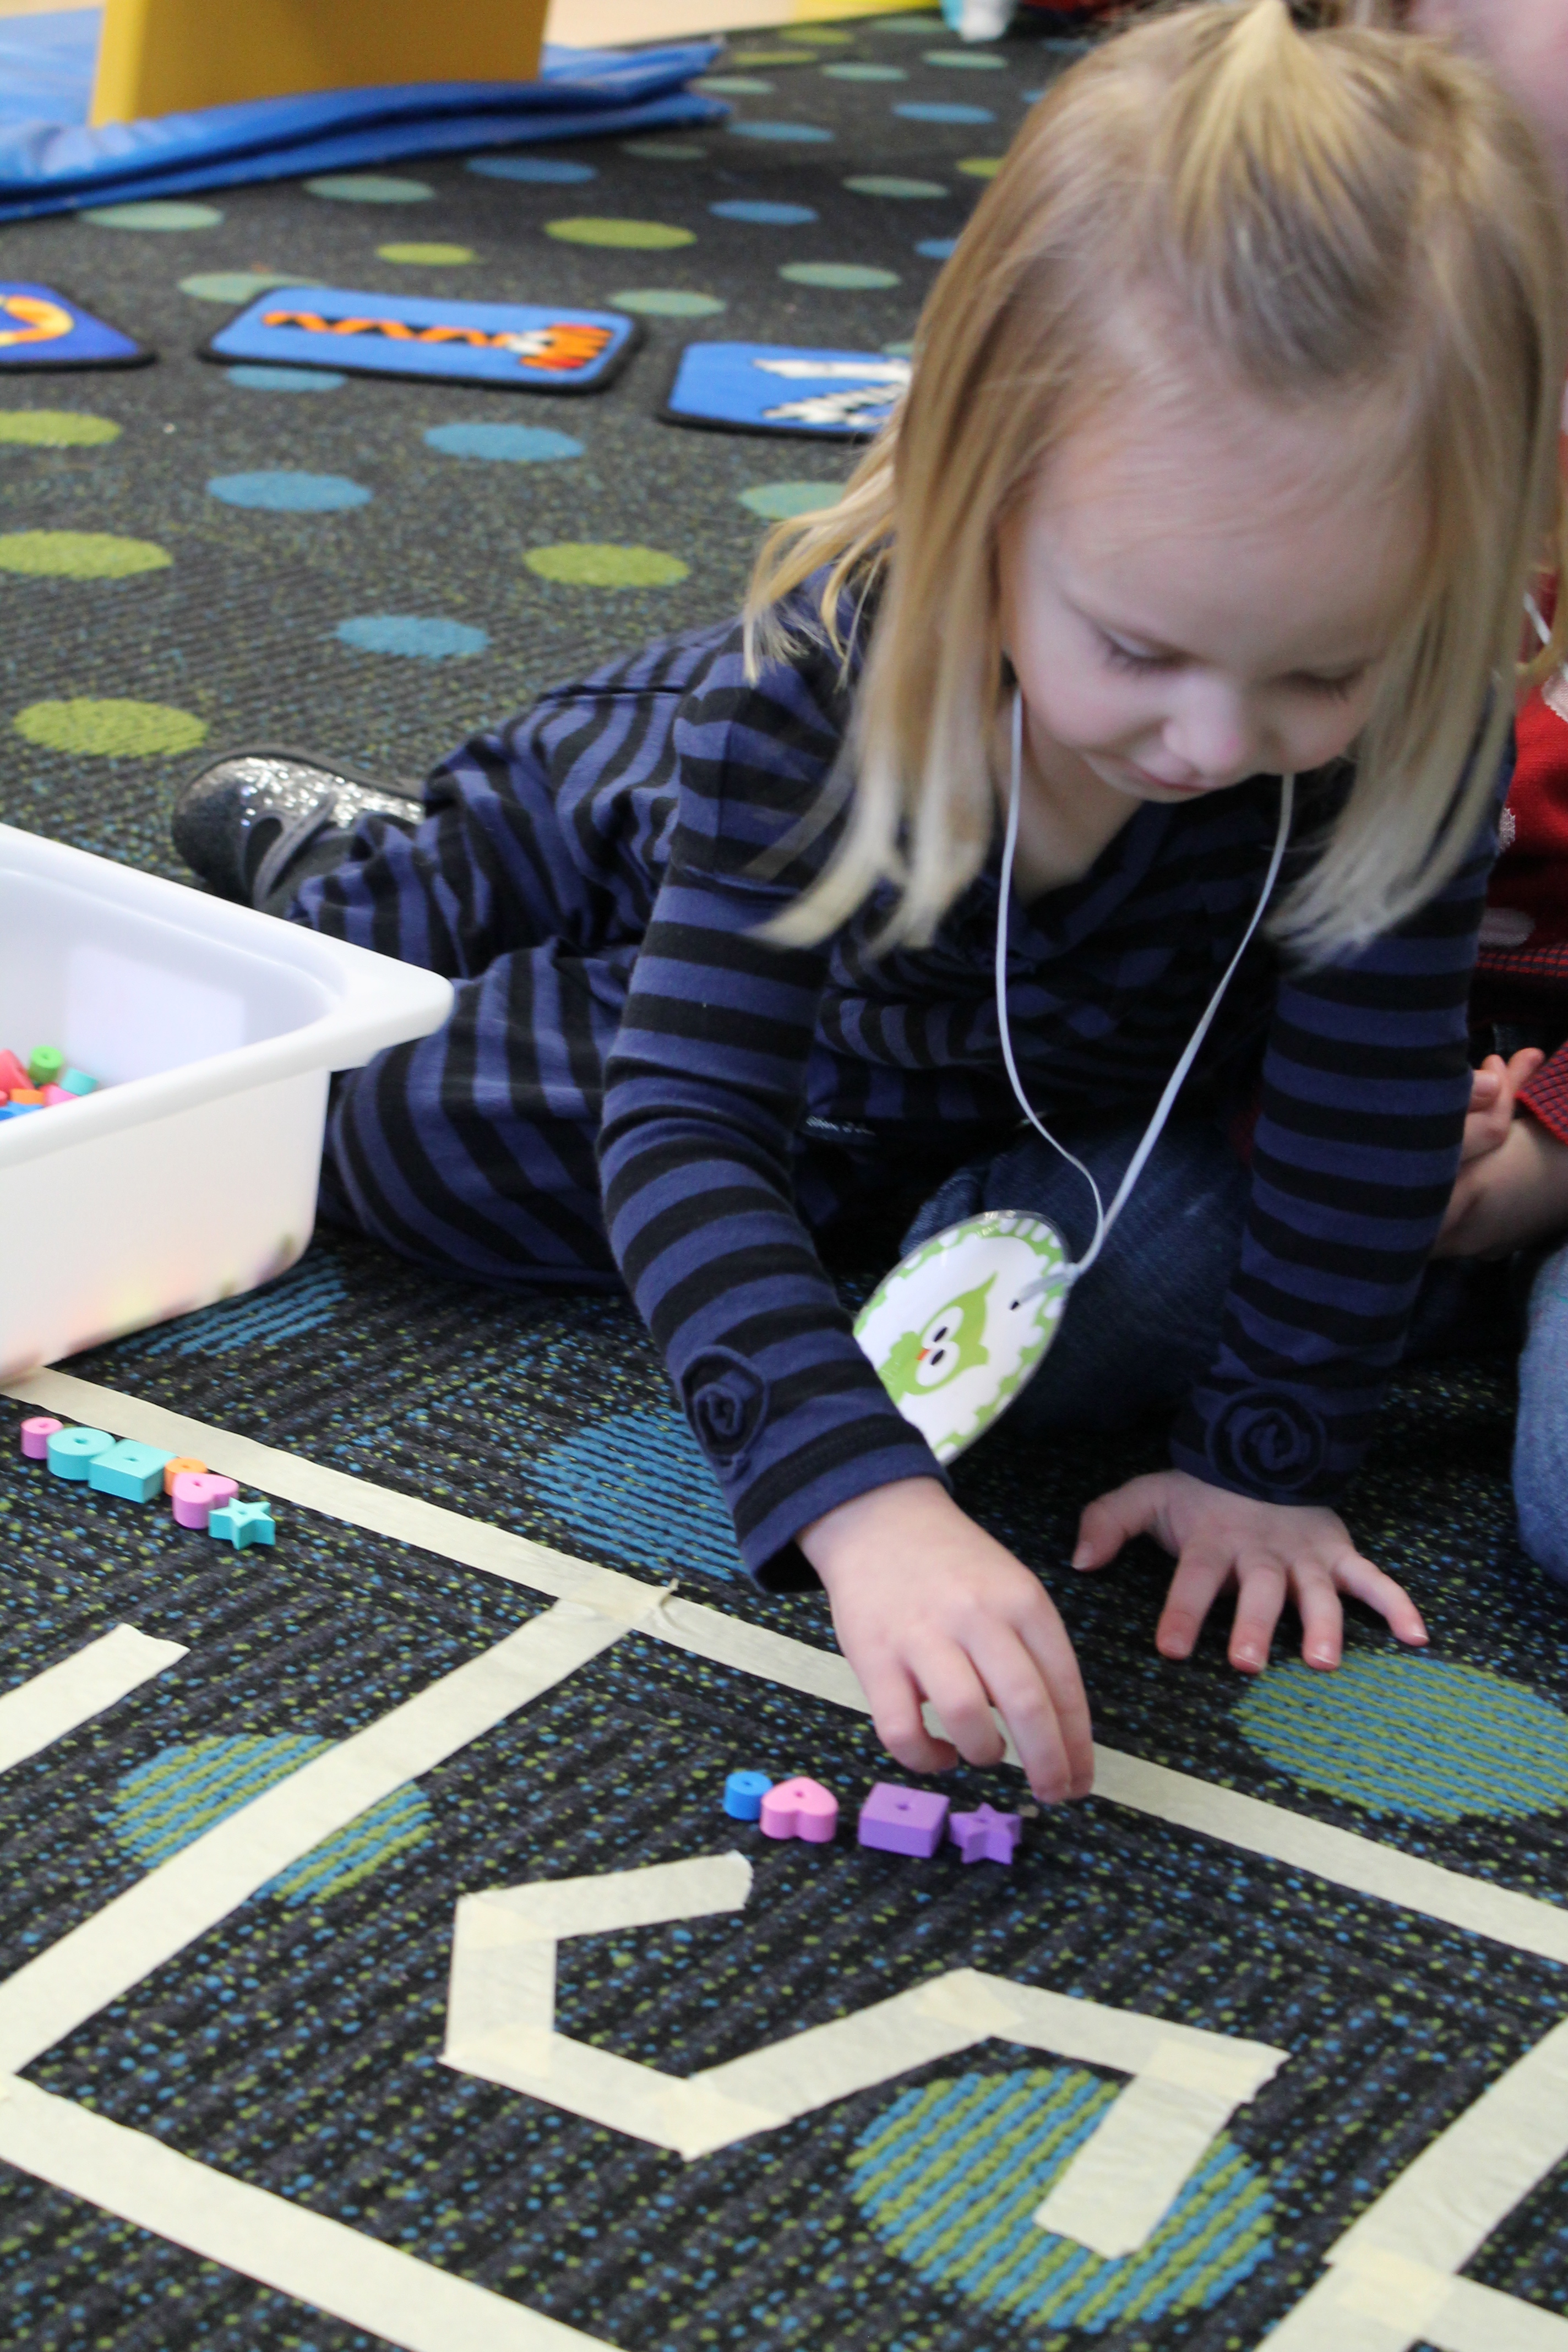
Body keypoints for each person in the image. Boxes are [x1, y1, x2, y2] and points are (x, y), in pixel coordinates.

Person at [171, 0, 1567, 1801]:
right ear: (980, 500)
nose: (1221, 741)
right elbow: (689, 1124)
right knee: (390, 1112)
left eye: (1323, 671)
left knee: (614, 1151)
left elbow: (1360, 1118)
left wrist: (1264, 1463)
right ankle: (360, 865)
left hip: (939, 1055)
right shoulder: (807, 692)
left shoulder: (1421, 727)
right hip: (664, 806)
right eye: (1139, 646)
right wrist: (861, 1501)